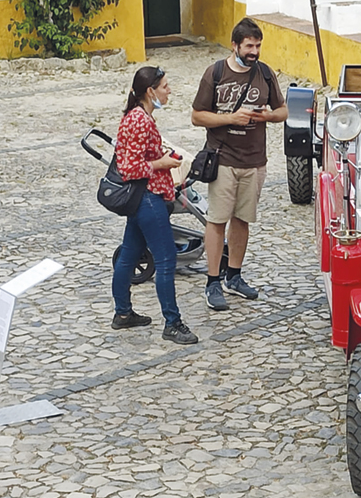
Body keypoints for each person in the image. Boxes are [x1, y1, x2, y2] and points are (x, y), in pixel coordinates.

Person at [191, 17, 288, 311]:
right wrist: (231, 119)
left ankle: (234, 275)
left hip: (254, 161)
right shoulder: (216, 73)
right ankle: (212, 281)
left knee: (243, 219)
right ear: (235, 45)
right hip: (223, 158)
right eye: (249, 45)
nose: (254, 51)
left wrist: (266, 117)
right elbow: (197, 116)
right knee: (217, 220)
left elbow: (282, 111)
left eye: (258, 45)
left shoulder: (265, 74)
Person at [111, 66, 198, 345]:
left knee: (128, 255)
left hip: (142, 197)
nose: (169, 90)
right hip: (148, 198)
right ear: (150, 91)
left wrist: (162, 156)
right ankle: (172, 323)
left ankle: (123, 313)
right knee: (165, 260)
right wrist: (163, 163)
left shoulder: (141, 117)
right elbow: (130, 167)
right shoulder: (140, 120)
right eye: (165, 86)